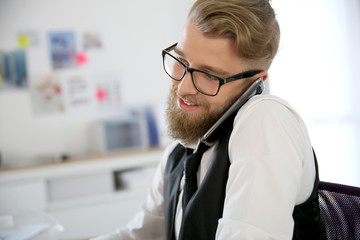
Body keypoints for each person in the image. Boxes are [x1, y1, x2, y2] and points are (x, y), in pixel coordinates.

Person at [92, 0, 326, 239]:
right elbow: (140, 235)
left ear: (255, 81)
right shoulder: (178, 152)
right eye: (181, 61)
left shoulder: (265, 119)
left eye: (208, 75)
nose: (183, 88)